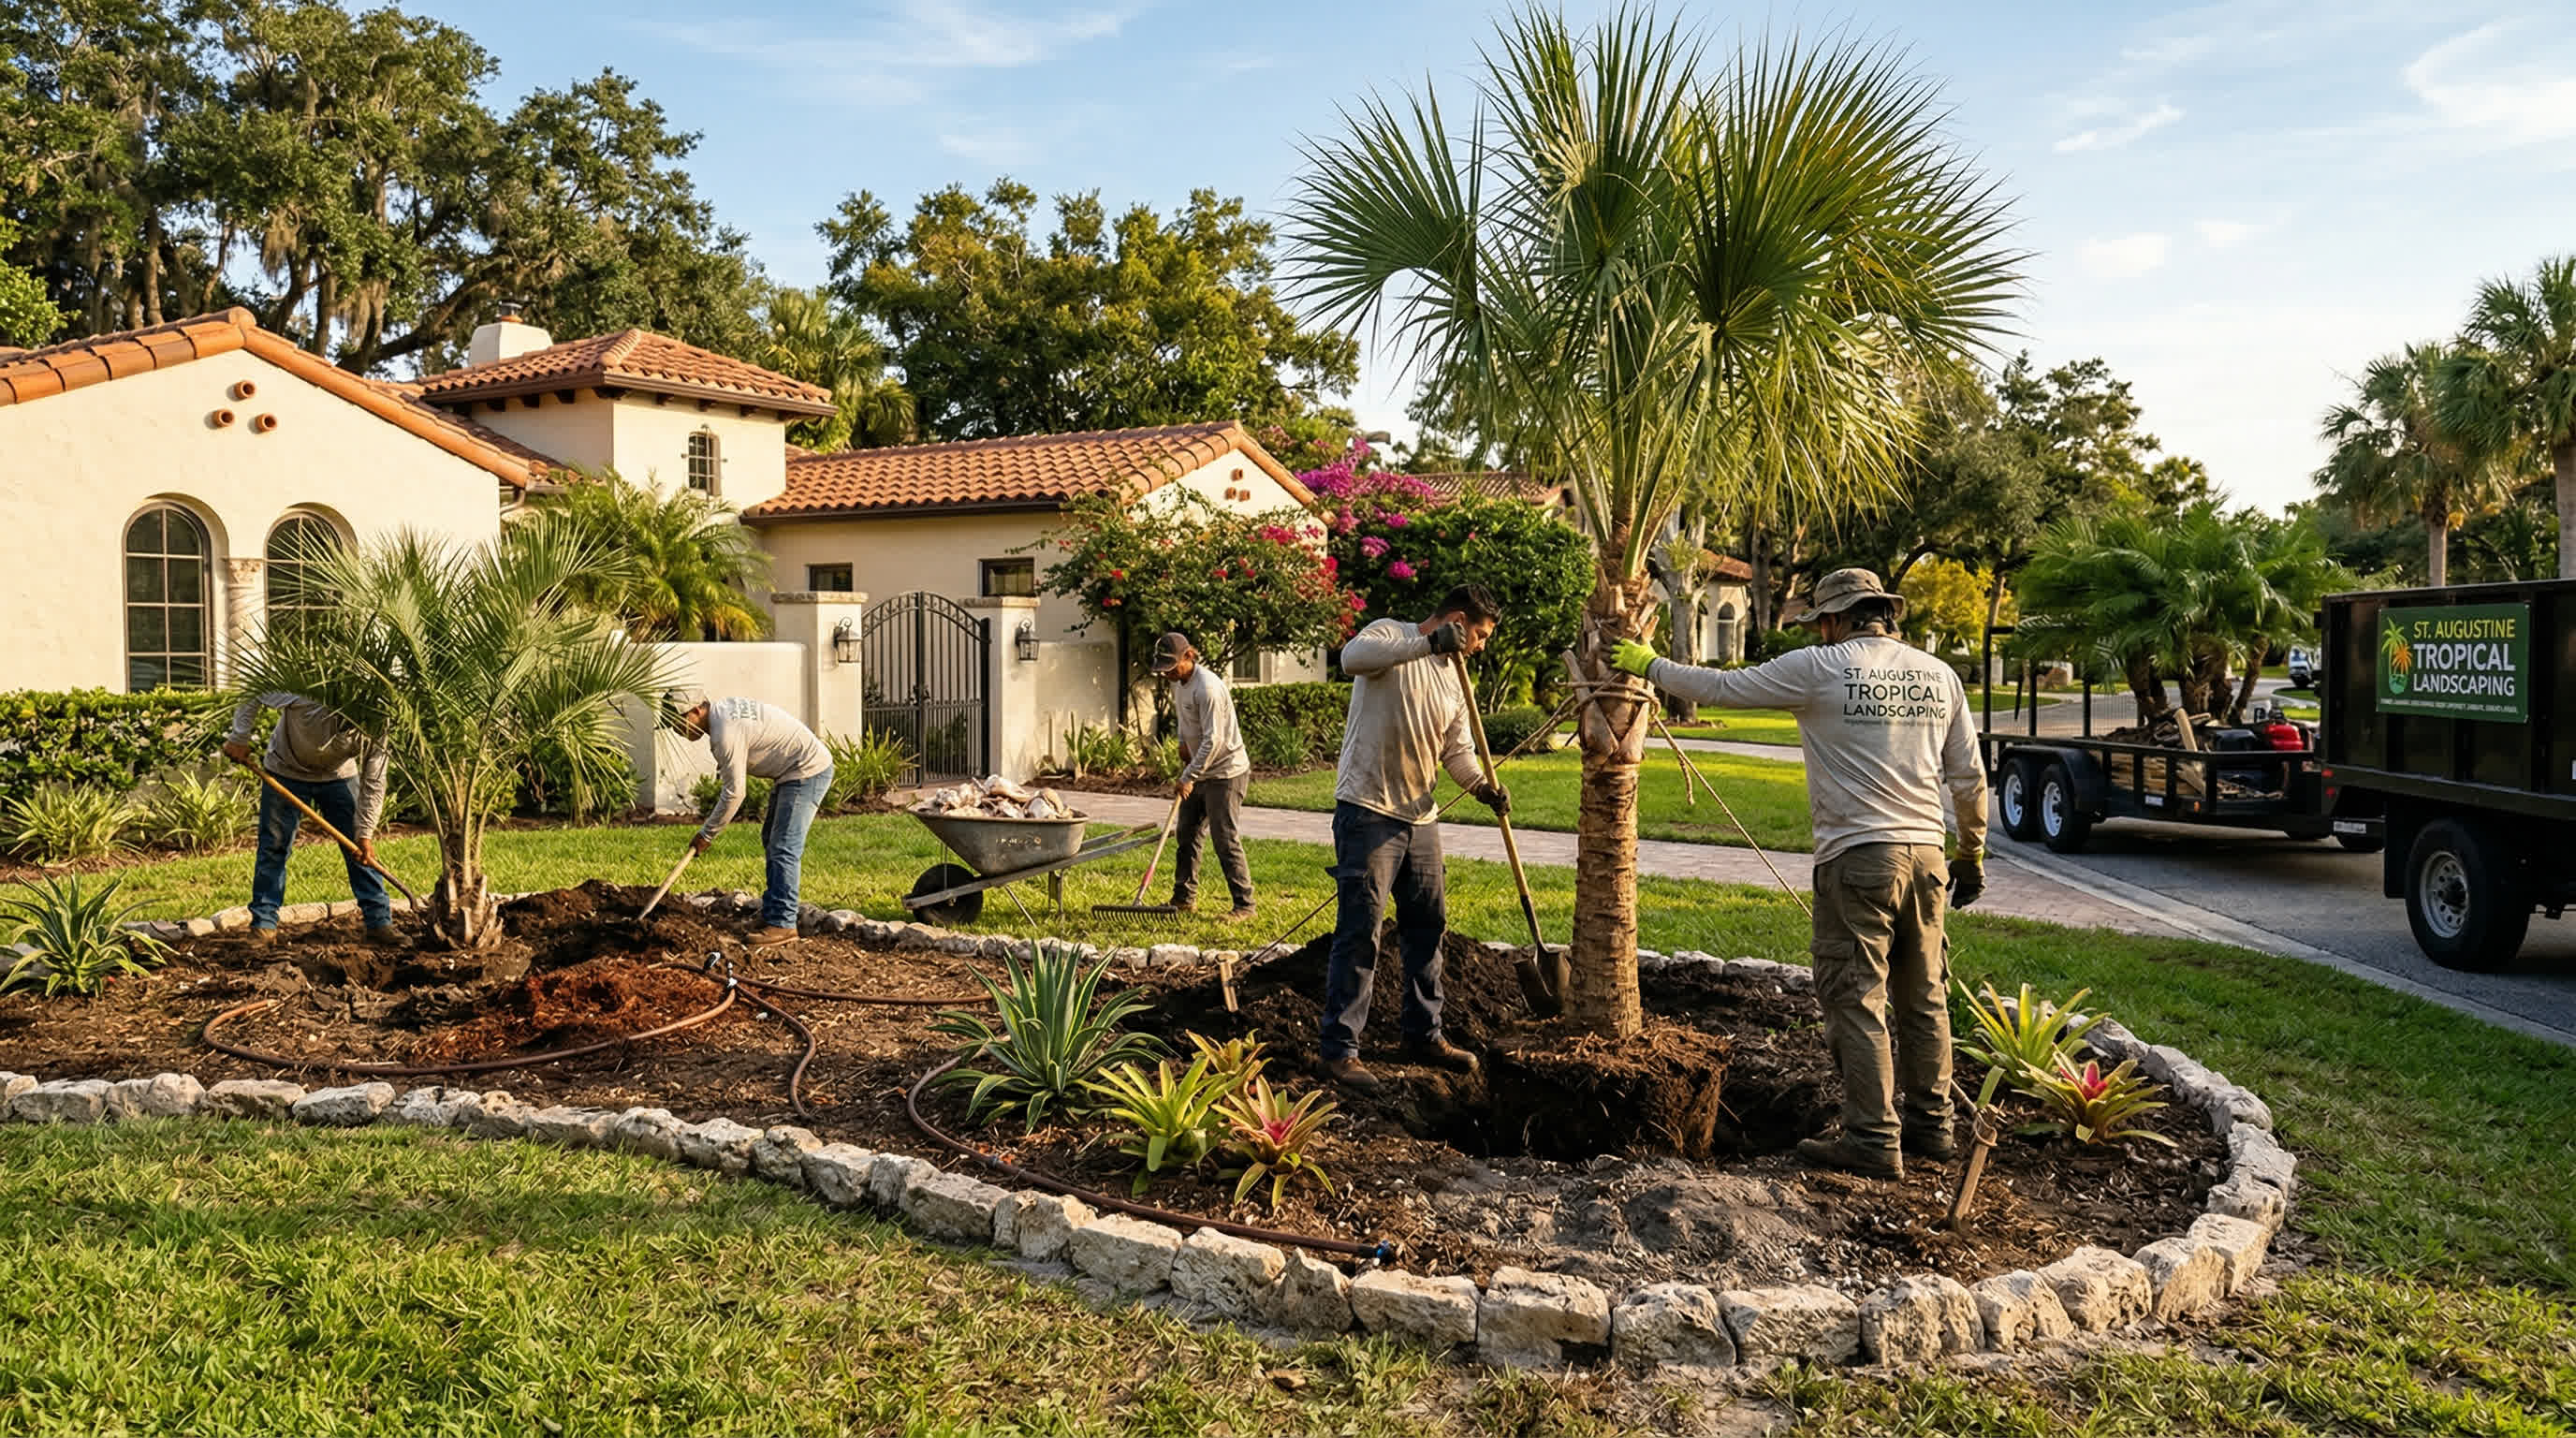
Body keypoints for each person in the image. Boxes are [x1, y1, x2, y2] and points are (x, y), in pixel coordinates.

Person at [1614, 567, 1988, 1181]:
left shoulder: (1821, 667)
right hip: (1926, 855)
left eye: (1820, 621)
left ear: (1836, 619)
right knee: (1924, 997)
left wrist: (1649, 664)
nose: (1818, 631)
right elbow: (1969, 778)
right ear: (1885, 615)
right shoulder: (1938, 675)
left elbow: (1722, 687)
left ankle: (1871, 1137)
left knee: (1856, 997)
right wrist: (1970, 854)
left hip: (1859, 858)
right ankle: (1933, 1128)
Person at [1317, 584, 1513, 1093]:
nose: (1481, 646)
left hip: (1421, 819)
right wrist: (1429, 644)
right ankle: (1340, 1050)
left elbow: (1458, 750)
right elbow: (1350, 658)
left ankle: (1423, 1033)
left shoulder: (1455, 679)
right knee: (1361, 931)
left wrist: (1481, 787)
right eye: (1481, 635)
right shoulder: (1391, 636)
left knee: (1427, 927)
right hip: (1368, 811)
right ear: (1456, 620)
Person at [221, 692, 396, 946]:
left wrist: (365, 833)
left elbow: (375, 780)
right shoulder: (306, 691)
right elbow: (255, 691)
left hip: (340, 777)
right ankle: (264, 925)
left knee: (358, 850)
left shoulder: (377, 721)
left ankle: (379, 923)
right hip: (285, 771)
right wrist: (239, 737)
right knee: (274, 849)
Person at [669, 693, 835, 946]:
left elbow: (735, 793)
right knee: (772, 839)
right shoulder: (723, 715)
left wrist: (707, 834)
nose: (675, 729)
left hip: (807, 769)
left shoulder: (725, 732)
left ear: (695, 710)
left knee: (784, 847)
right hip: (791, 770)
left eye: (676, 721)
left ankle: (782, 924)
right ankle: (773, 913)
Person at [1151, 632, 1255, 919]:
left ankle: (1245, 905)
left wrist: (1188, 775)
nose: (1167, 673)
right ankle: (1184, 898)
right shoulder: (1180, 683)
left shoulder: (1207, 688)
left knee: (1225, 838)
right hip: (1200, 771)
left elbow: (1214, 741)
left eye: (1171, 666)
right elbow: (1185, 722)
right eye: (1163, 667)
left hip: (1225, 773)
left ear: (1189, 656)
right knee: (1186, 832)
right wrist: (1183, 743)